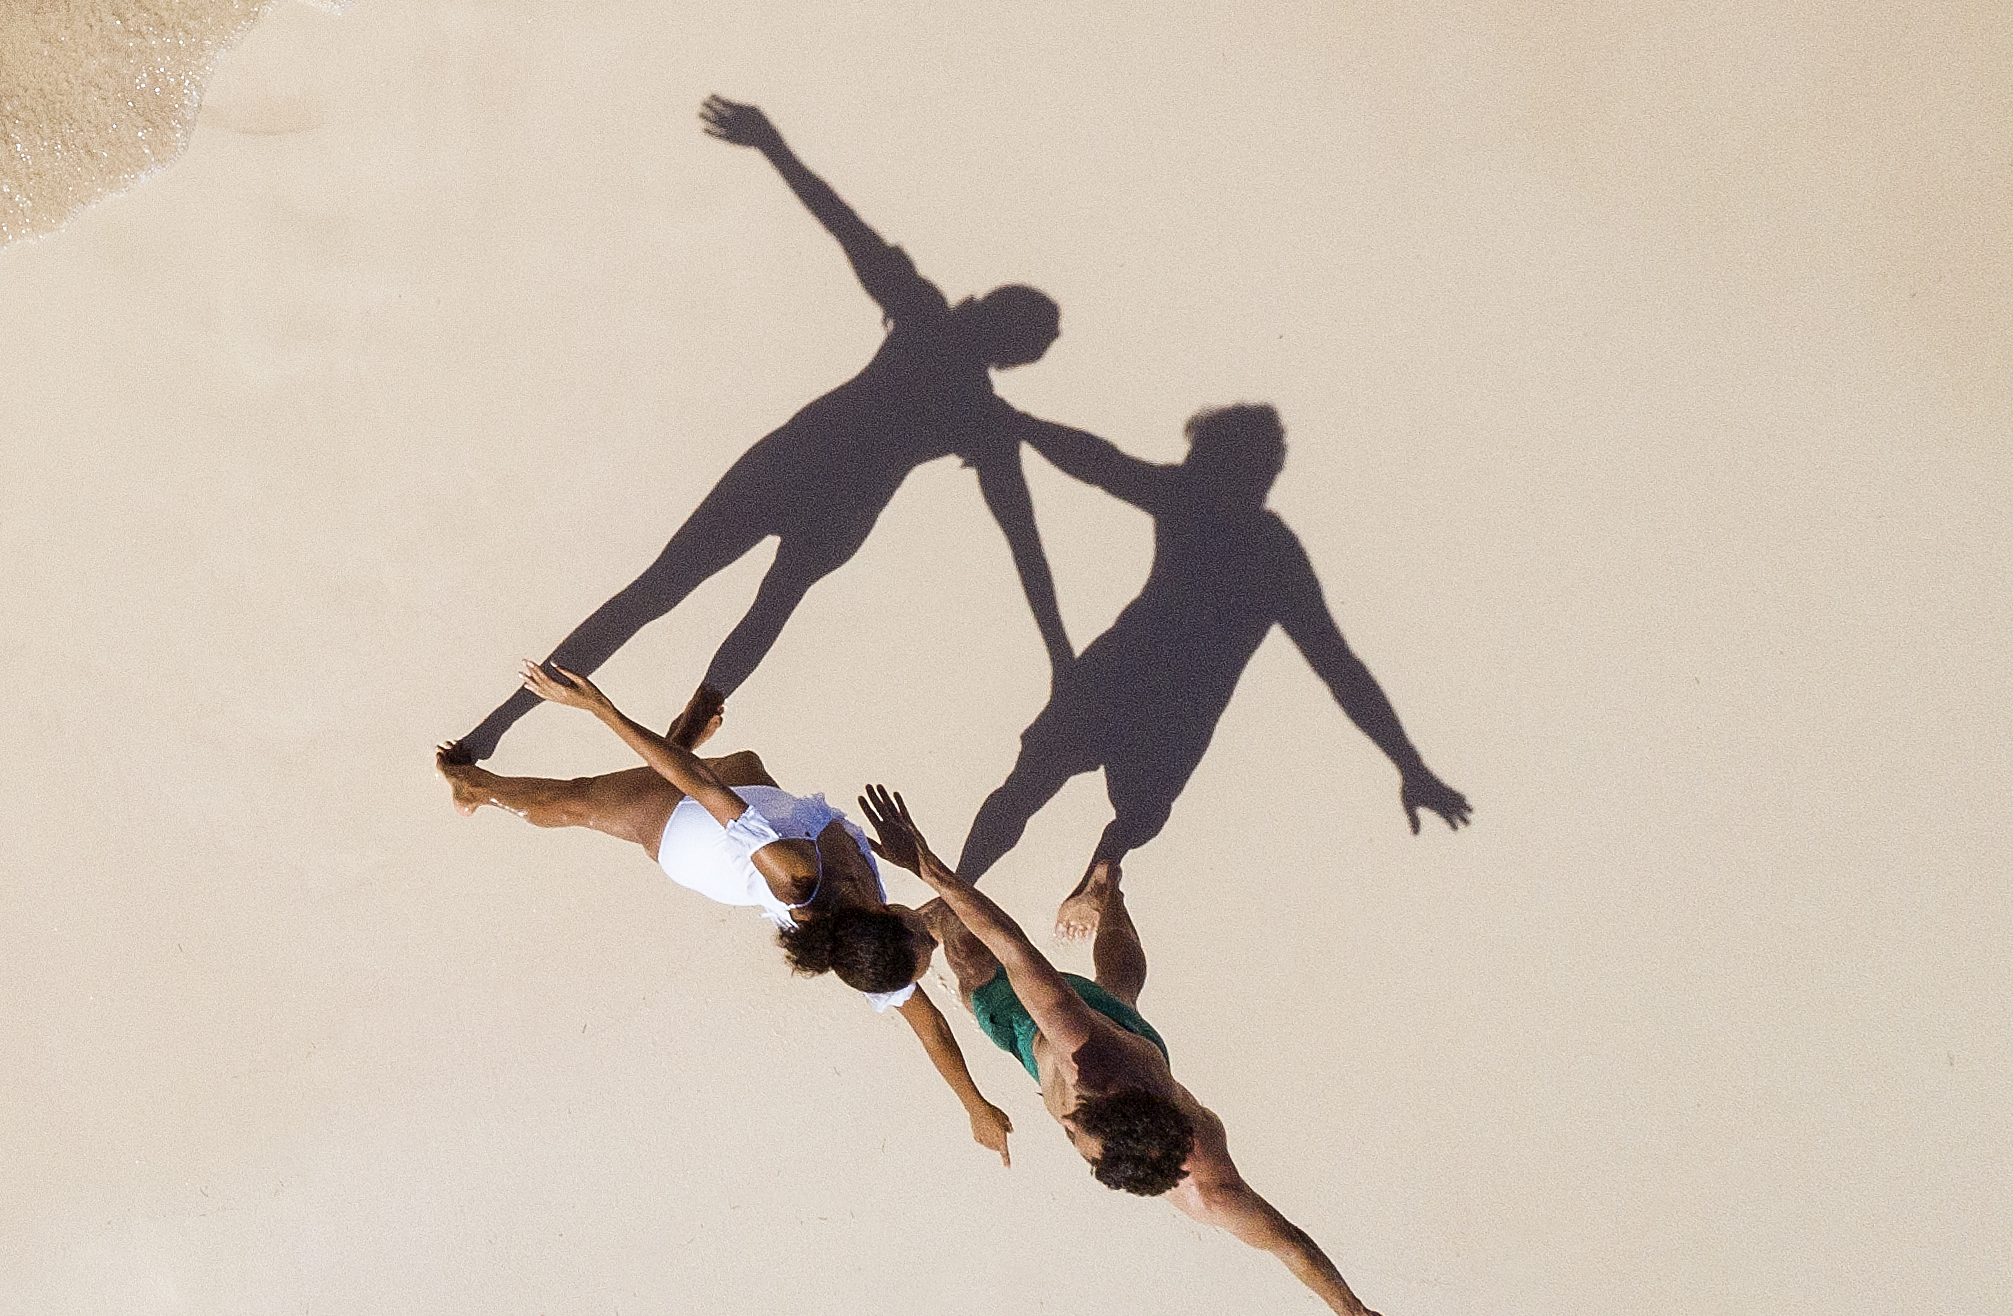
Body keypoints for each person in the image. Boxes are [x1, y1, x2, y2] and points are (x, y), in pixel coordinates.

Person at [446, 99, 1076, 766]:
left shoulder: (926, 318)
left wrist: (771, 143)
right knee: (763, 606)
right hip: (845, 504)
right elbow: (1024, 541)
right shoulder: (981, 414)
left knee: (661, 589)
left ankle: (502, 727)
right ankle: (671, 738)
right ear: (1010, 357)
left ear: (988, 315)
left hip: (792, 463)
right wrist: (1061, 658)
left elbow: (847, 227)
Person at [851, 783, 1431, 1316]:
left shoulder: (1207, 1190)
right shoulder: (1085, 1051)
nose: (1067, 1130)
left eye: (1078, 1145)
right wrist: (926, 865)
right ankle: (949, 918)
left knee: (1121, 995)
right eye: (1077, 1130)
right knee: (980, 972)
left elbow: (1286, 1243)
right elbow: (1017, 950)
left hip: (1135, 1049)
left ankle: (1107, 891)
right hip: (1064, 1038)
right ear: (1102, 1098)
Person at [444, 660, 1023, 1164]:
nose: (931, 929)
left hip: (685, 836)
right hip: (758, 804)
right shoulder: (846, 911)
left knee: (579, 799)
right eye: (928, 937)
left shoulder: (797, 876)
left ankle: (474, 789)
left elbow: (699, 790)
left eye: (923, 935)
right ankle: (674, 745)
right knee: (744, 761)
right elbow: (932, 1025)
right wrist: (977, 1104)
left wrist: (598, 706)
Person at [954, 402, 1469, 878]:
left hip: (1128, 677)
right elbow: (1340, 669)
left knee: (1037, 794)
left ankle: (992, 884)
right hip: (1173, 700)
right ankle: (1081, 871)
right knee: (1121, 815)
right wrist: (1409, 765)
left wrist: (1019, 422)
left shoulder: (1201, 502)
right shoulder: (1263, 542)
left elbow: (1103, 465)